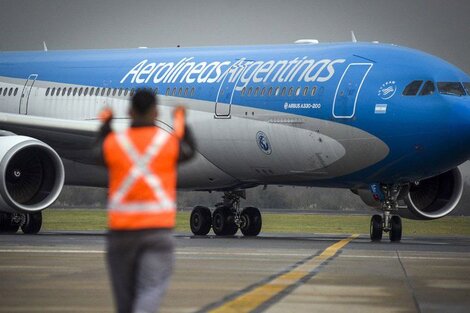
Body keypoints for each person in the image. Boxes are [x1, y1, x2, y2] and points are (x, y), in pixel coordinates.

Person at [98, 89, 196, 313]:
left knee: (124, 300)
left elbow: (97, 153)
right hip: (157, 232)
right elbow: (189, 150)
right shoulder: (167, 142)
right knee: (150, 290)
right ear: (156, 112)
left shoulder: (115, 142)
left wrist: (105, 126)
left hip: (121, 234)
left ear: (130, 111)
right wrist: (181, 122)